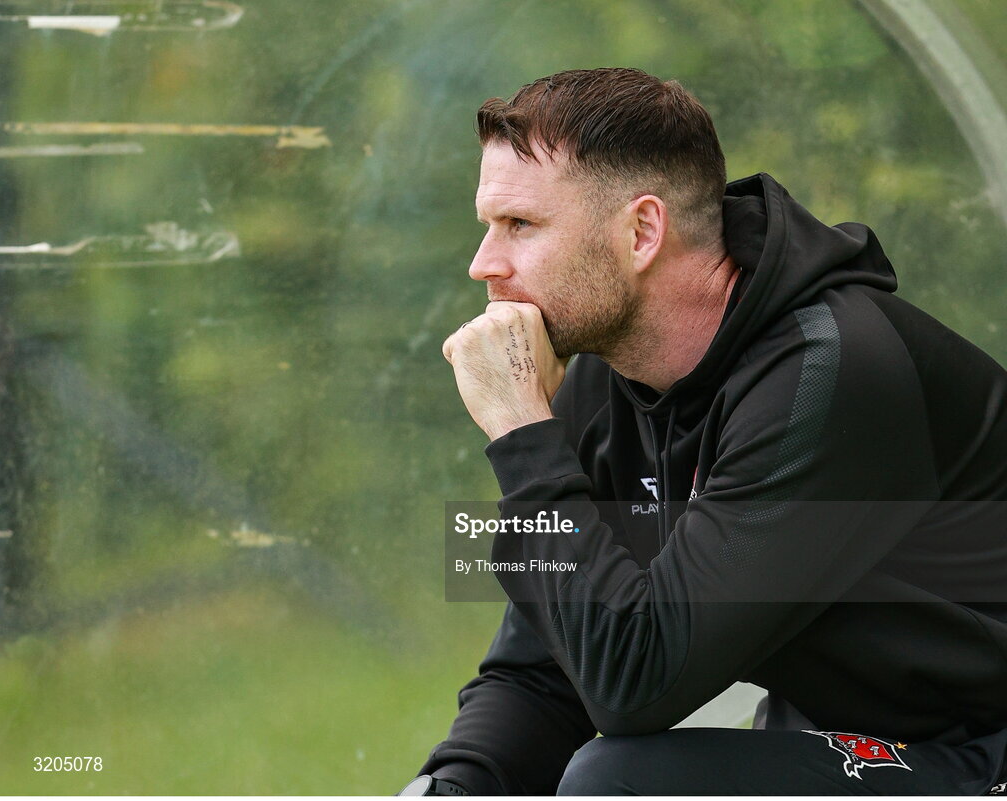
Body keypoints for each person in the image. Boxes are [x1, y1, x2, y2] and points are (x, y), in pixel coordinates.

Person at [401, 68, 1007, 795]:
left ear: (642, 231)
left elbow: (635, 681)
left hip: (984, 749)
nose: (483, 265)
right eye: (487, 226)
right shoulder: (609, 379)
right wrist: (450, 788)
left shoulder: (828, 374)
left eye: (521, 226)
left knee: (621, 783)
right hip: (838, 737)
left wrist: (522, 433)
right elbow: (544, 668)